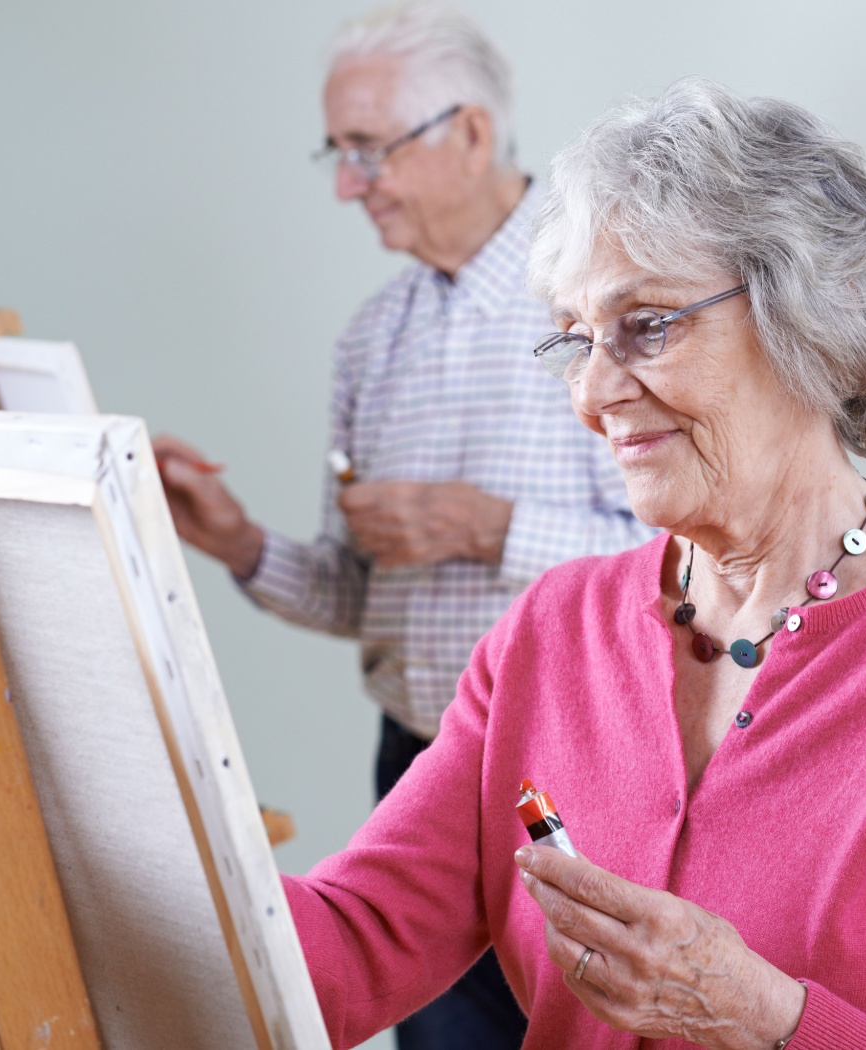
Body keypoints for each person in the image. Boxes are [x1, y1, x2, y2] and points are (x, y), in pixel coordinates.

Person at [279, 78, 866, 1049]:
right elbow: (351, 941)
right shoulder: (551, 632)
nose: (592, 394)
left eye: (647, 326)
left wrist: (769, 1021)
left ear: (814, 322)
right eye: (577, 340)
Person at [154, 4, 651, 1047]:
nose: (348, 183)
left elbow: (687, 562)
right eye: (337, 154)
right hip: (418, 767)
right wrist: (238, 541)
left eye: (369, 149)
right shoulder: (371, 340)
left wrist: (489, 529)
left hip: (591, 765)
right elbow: (359, 593)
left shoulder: (608, 305)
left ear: (470, 134)